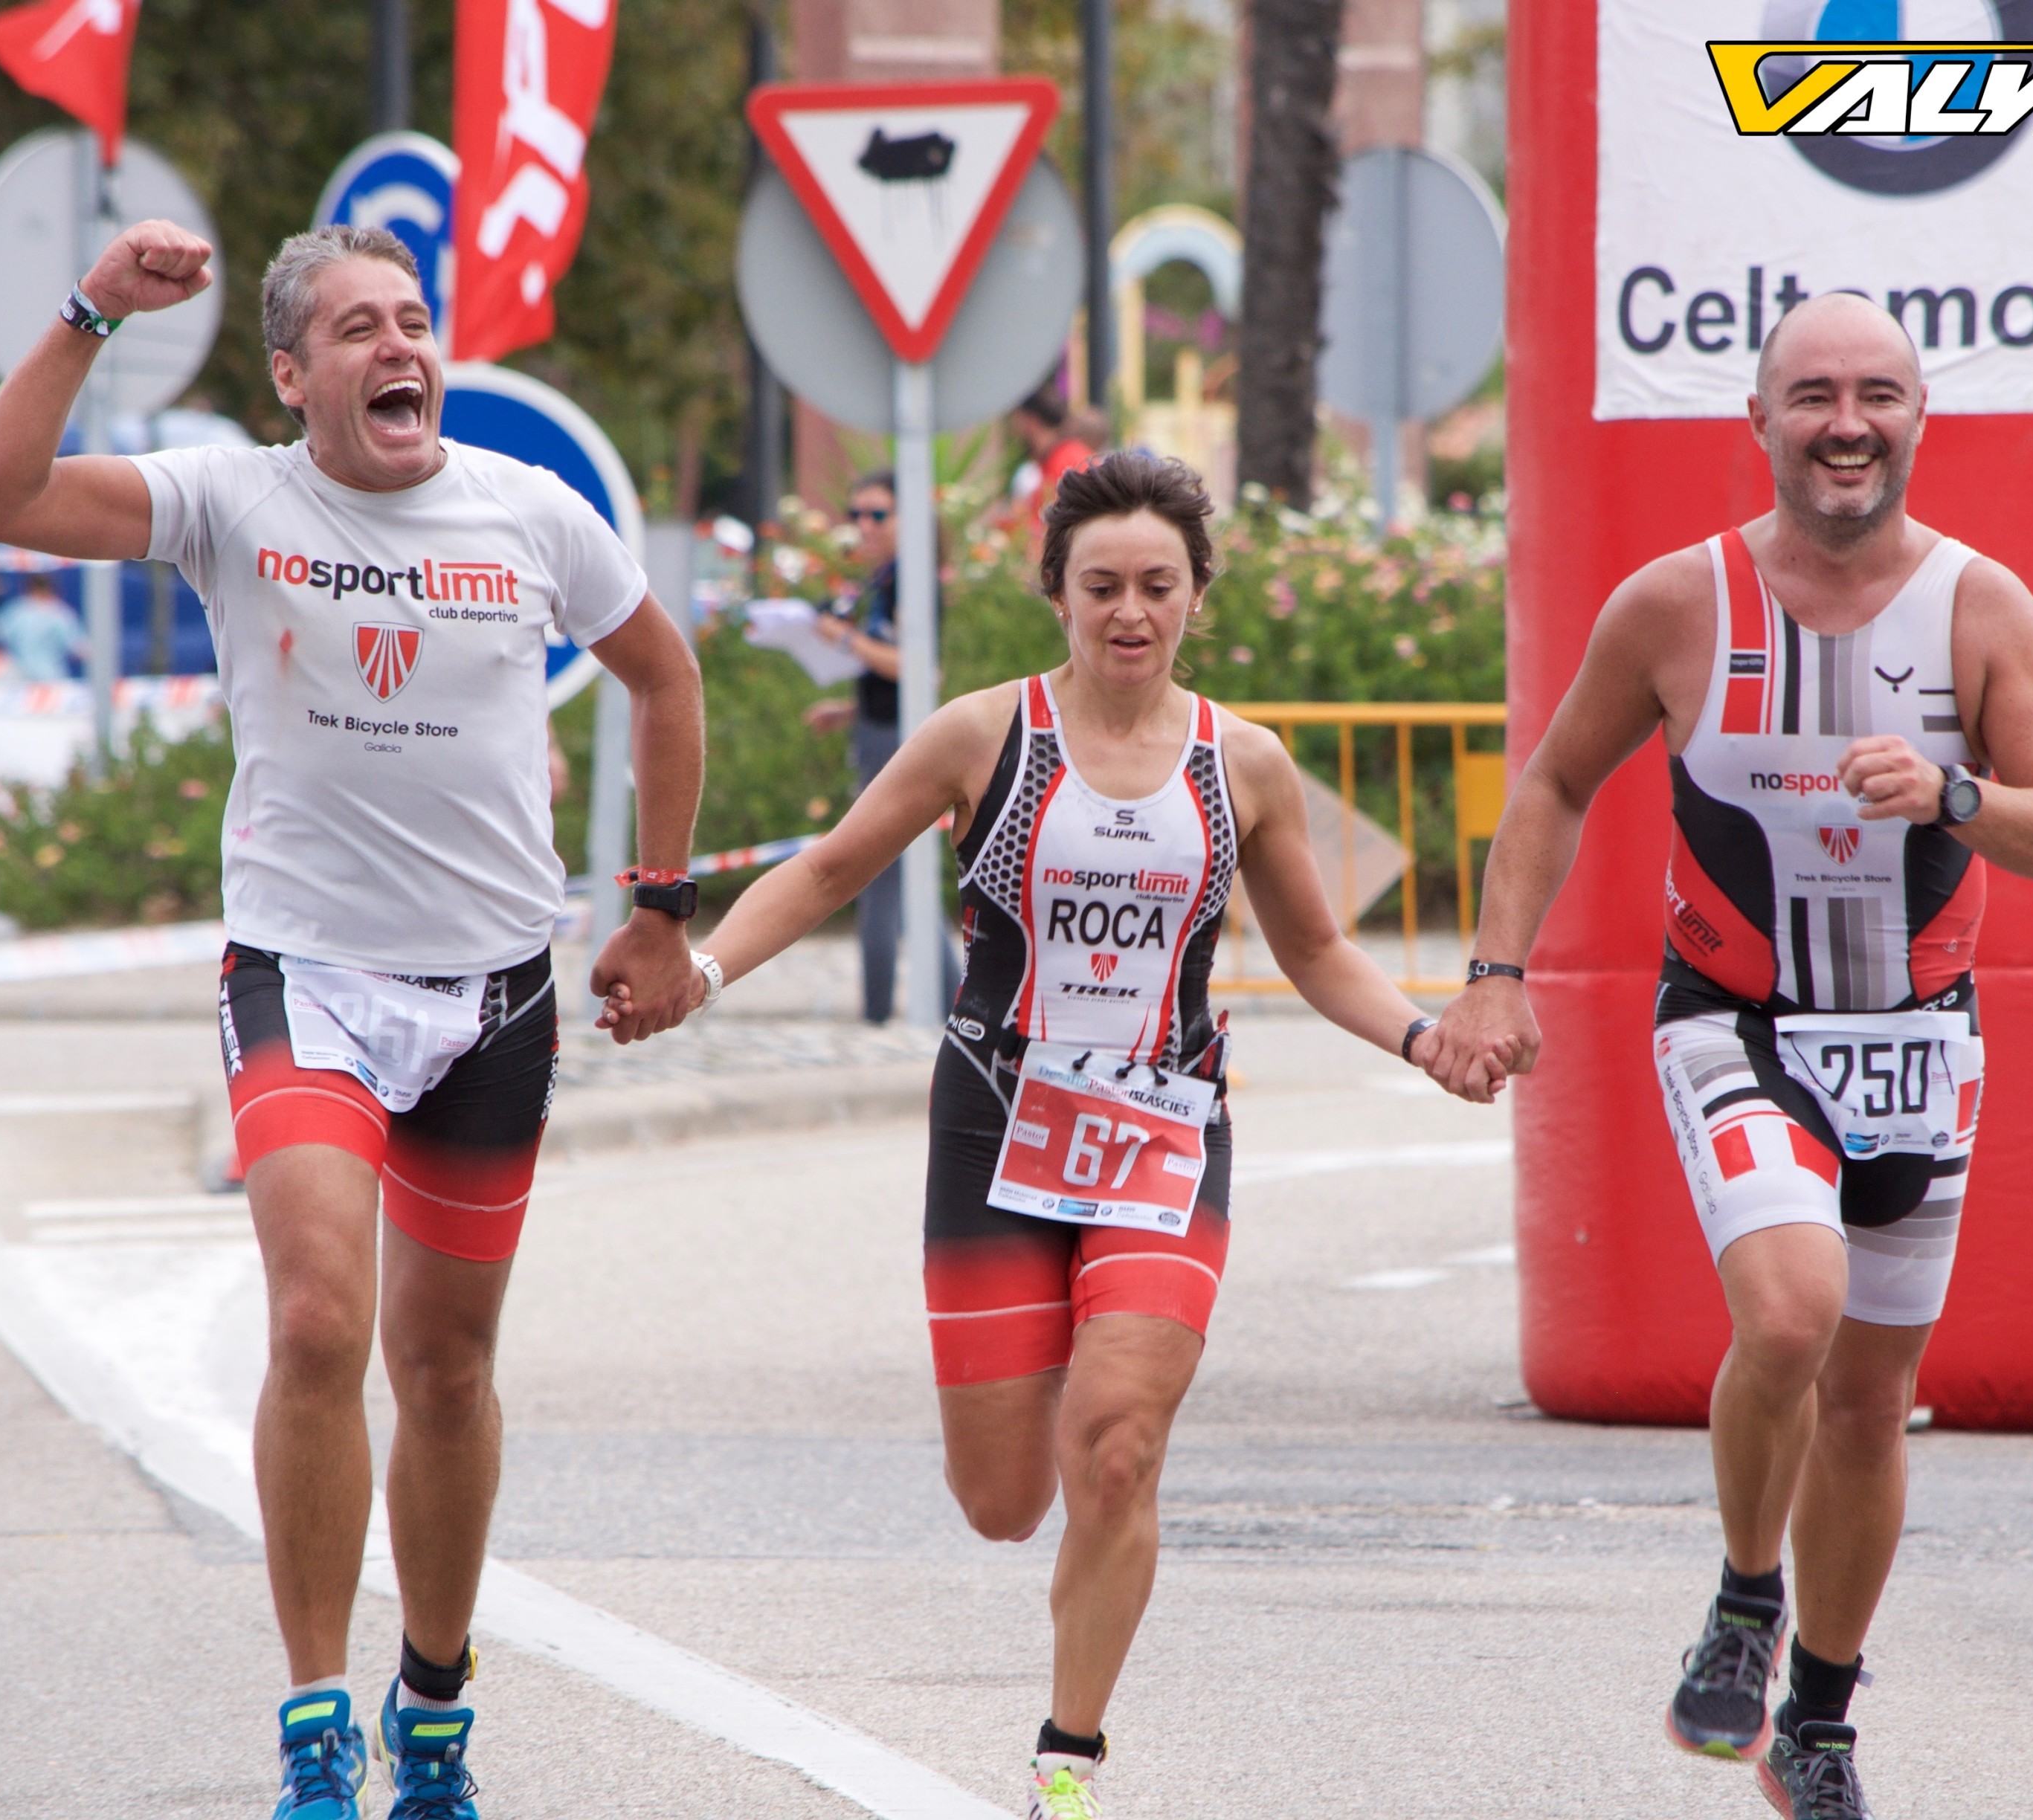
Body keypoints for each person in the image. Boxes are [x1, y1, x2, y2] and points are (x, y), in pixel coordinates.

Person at [0, 219, 706, 1820]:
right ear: (293, 376)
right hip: (305, 978)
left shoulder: (531, 513)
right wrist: (91, 310)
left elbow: (666, 677)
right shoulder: (232, 499)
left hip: (495, 991)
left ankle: (431, 1704)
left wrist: (659, 904)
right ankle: (312, 1725)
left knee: (446, 1369)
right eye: (357, 329)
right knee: (314, 1322)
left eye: (412, 320)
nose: (397, 346)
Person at [610, 451, 1466, 1820]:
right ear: (1056, 593)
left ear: (1195, 596)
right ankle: (1052, 1380)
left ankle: (1067, 1758)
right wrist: (699, 972)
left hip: (1163, 1129)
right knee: (1005, 1500)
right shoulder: (980, 736)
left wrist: (1425, 1039)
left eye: (1158, 586)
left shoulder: (1243, 761)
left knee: (1117, 1441)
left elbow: (1314, 950)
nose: (1130, 611)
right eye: (1102, 585)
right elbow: (829, 867)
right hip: (995, 1127)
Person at [1426, 293, 2033, 1820]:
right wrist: (1492, 976)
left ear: (1919, 417)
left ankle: (1817, 1720)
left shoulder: (1982, 609)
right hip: (1734, 1020)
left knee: (1869, 1401)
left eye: (1876, 394)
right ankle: (1746, 1595)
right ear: (1758, 422)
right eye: (1812, 396)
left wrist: (1950, 795)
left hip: (1918, 1039)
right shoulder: (1676, 604)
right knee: (1792, 1314)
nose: (1845, 424)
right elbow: (1553, 781)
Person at [802, 470, 957, 1022]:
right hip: (879, 729)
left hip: (898, 739)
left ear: (907, 519)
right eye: (856, 515)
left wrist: (843, 638)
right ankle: (935, 1001)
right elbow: (893, 672)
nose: (863, 525)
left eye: (877, 514)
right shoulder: (886, 578)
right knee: (895, 875)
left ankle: (888, 1009)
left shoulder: (913, 581)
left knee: (879, 872)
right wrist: (850, 710)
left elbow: (919, 668)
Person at [1007, 386, 1099, 541]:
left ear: (1031, 421)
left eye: (1018, 422)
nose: (1016, 431)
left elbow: (1050, 532)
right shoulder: (1063, 457)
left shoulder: (1067, 464)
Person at [0, 578, 87, 682]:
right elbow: (79, 650)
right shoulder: (61, 613)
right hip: (51, 678)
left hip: (19, 678)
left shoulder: (14, 611)